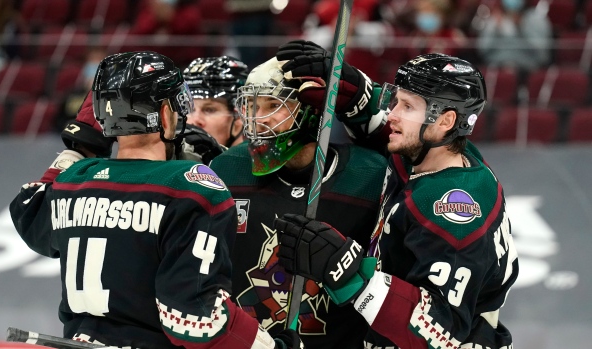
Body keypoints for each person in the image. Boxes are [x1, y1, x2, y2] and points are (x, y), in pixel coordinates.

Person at [9, 51, 301, 349]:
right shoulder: (192, 186)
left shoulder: (74, 178)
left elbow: (29, 210)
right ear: (164, 113)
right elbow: (192, 319)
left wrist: (80, 147)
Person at [274, 41, 519, 348]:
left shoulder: (455, 212)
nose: (392, 114)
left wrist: (348, 273)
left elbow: (442, 332)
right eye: (396, 101)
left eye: (407, 107)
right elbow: (385, 124)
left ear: (446, 120)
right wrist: (355, 93)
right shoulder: (432, 152)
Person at [208, 52, 388, 348]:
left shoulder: (371, 175)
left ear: (311, 111)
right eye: (252, 105)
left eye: (273, 105)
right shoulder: (226, 169)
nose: (256, 118)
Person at [183, 55, 248, 148]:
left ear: (240, 117)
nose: (194, 120)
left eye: (209, 110)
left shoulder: (262, 161)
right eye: (189, 109)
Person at [476, 0, 552, 72]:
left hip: (527, 70)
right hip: (497, 68)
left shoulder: (536, 19)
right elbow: (482, 51)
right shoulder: (494, 19)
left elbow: (543, 56)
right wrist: (495, 30)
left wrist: (520, 28)